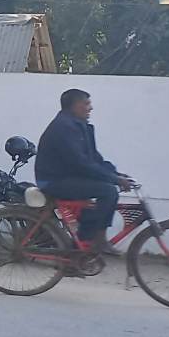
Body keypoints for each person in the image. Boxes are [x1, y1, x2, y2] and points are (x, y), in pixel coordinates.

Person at [35, 88, 131, 254]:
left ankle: (81, 246)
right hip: (54, 181)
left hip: (68, 177)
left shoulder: (79, 126)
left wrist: (115, 174)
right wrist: (114, 180)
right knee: (108, 191)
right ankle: (95, 241)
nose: (90, 108)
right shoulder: (64, 128)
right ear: (74, 106)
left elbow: (94, 158)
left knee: (101, 196)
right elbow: (81, 164)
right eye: (86, 104)